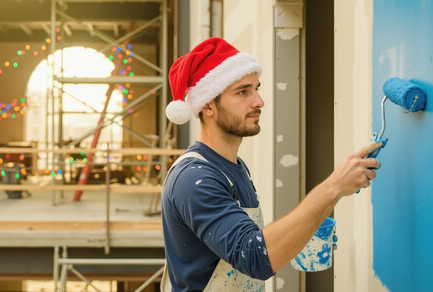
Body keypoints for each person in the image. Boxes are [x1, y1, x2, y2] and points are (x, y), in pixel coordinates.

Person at [161, 37, 381, 291]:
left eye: (256, 89)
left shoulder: (235, 167)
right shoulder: (194, 179)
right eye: (243, 92)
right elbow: (254, 256)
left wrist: (303, 233)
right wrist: (333, 187)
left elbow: (248, 244)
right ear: (208, 105)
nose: (258, 101)